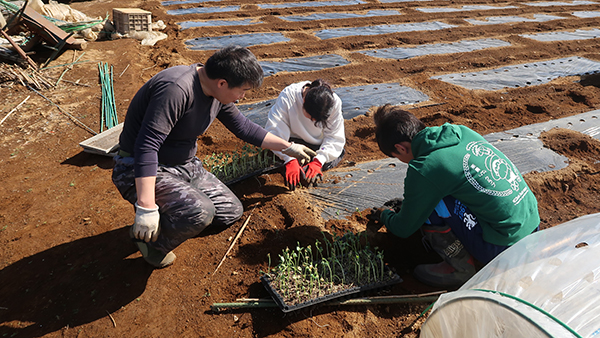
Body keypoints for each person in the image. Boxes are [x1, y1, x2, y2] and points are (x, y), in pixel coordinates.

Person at [112, 45, 317, 268]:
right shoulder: (176, 90)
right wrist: (146, 206)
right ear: (222, 83)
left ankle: (170, 212)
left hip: (184, 164)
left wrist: (288, 147)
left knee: (230, 210)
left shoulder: (215, 92)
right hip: (140, 167)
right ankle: (149, 241)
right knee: (200, 212)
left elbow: (244, 128)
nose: (242, 97)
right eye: (242, 91)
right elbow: (146, 147)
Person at [370, 104, 540, 288]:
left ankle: (460, 269)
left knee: (435, 203)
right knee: (443, 192)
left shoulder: (424, 168)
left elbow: (404, 228)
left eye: (396, 156)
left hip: (503, 247)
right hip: (532, 226)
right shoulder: (460, 133)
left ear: (401, 148)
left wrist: (385, 215)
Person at [264, 79, 345, 190]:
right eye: (311, 117)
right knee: (272, 154)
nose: (313, 122)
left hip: (317, 147)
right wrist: (289, 159)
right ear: (303, 101)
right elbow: (275, 132)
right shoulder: (289, 96)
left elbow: (334, 137)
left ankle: (309, 166)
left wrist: (318, 161)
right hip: (292, 142)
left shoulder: (333, 103)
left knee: (333, 155)